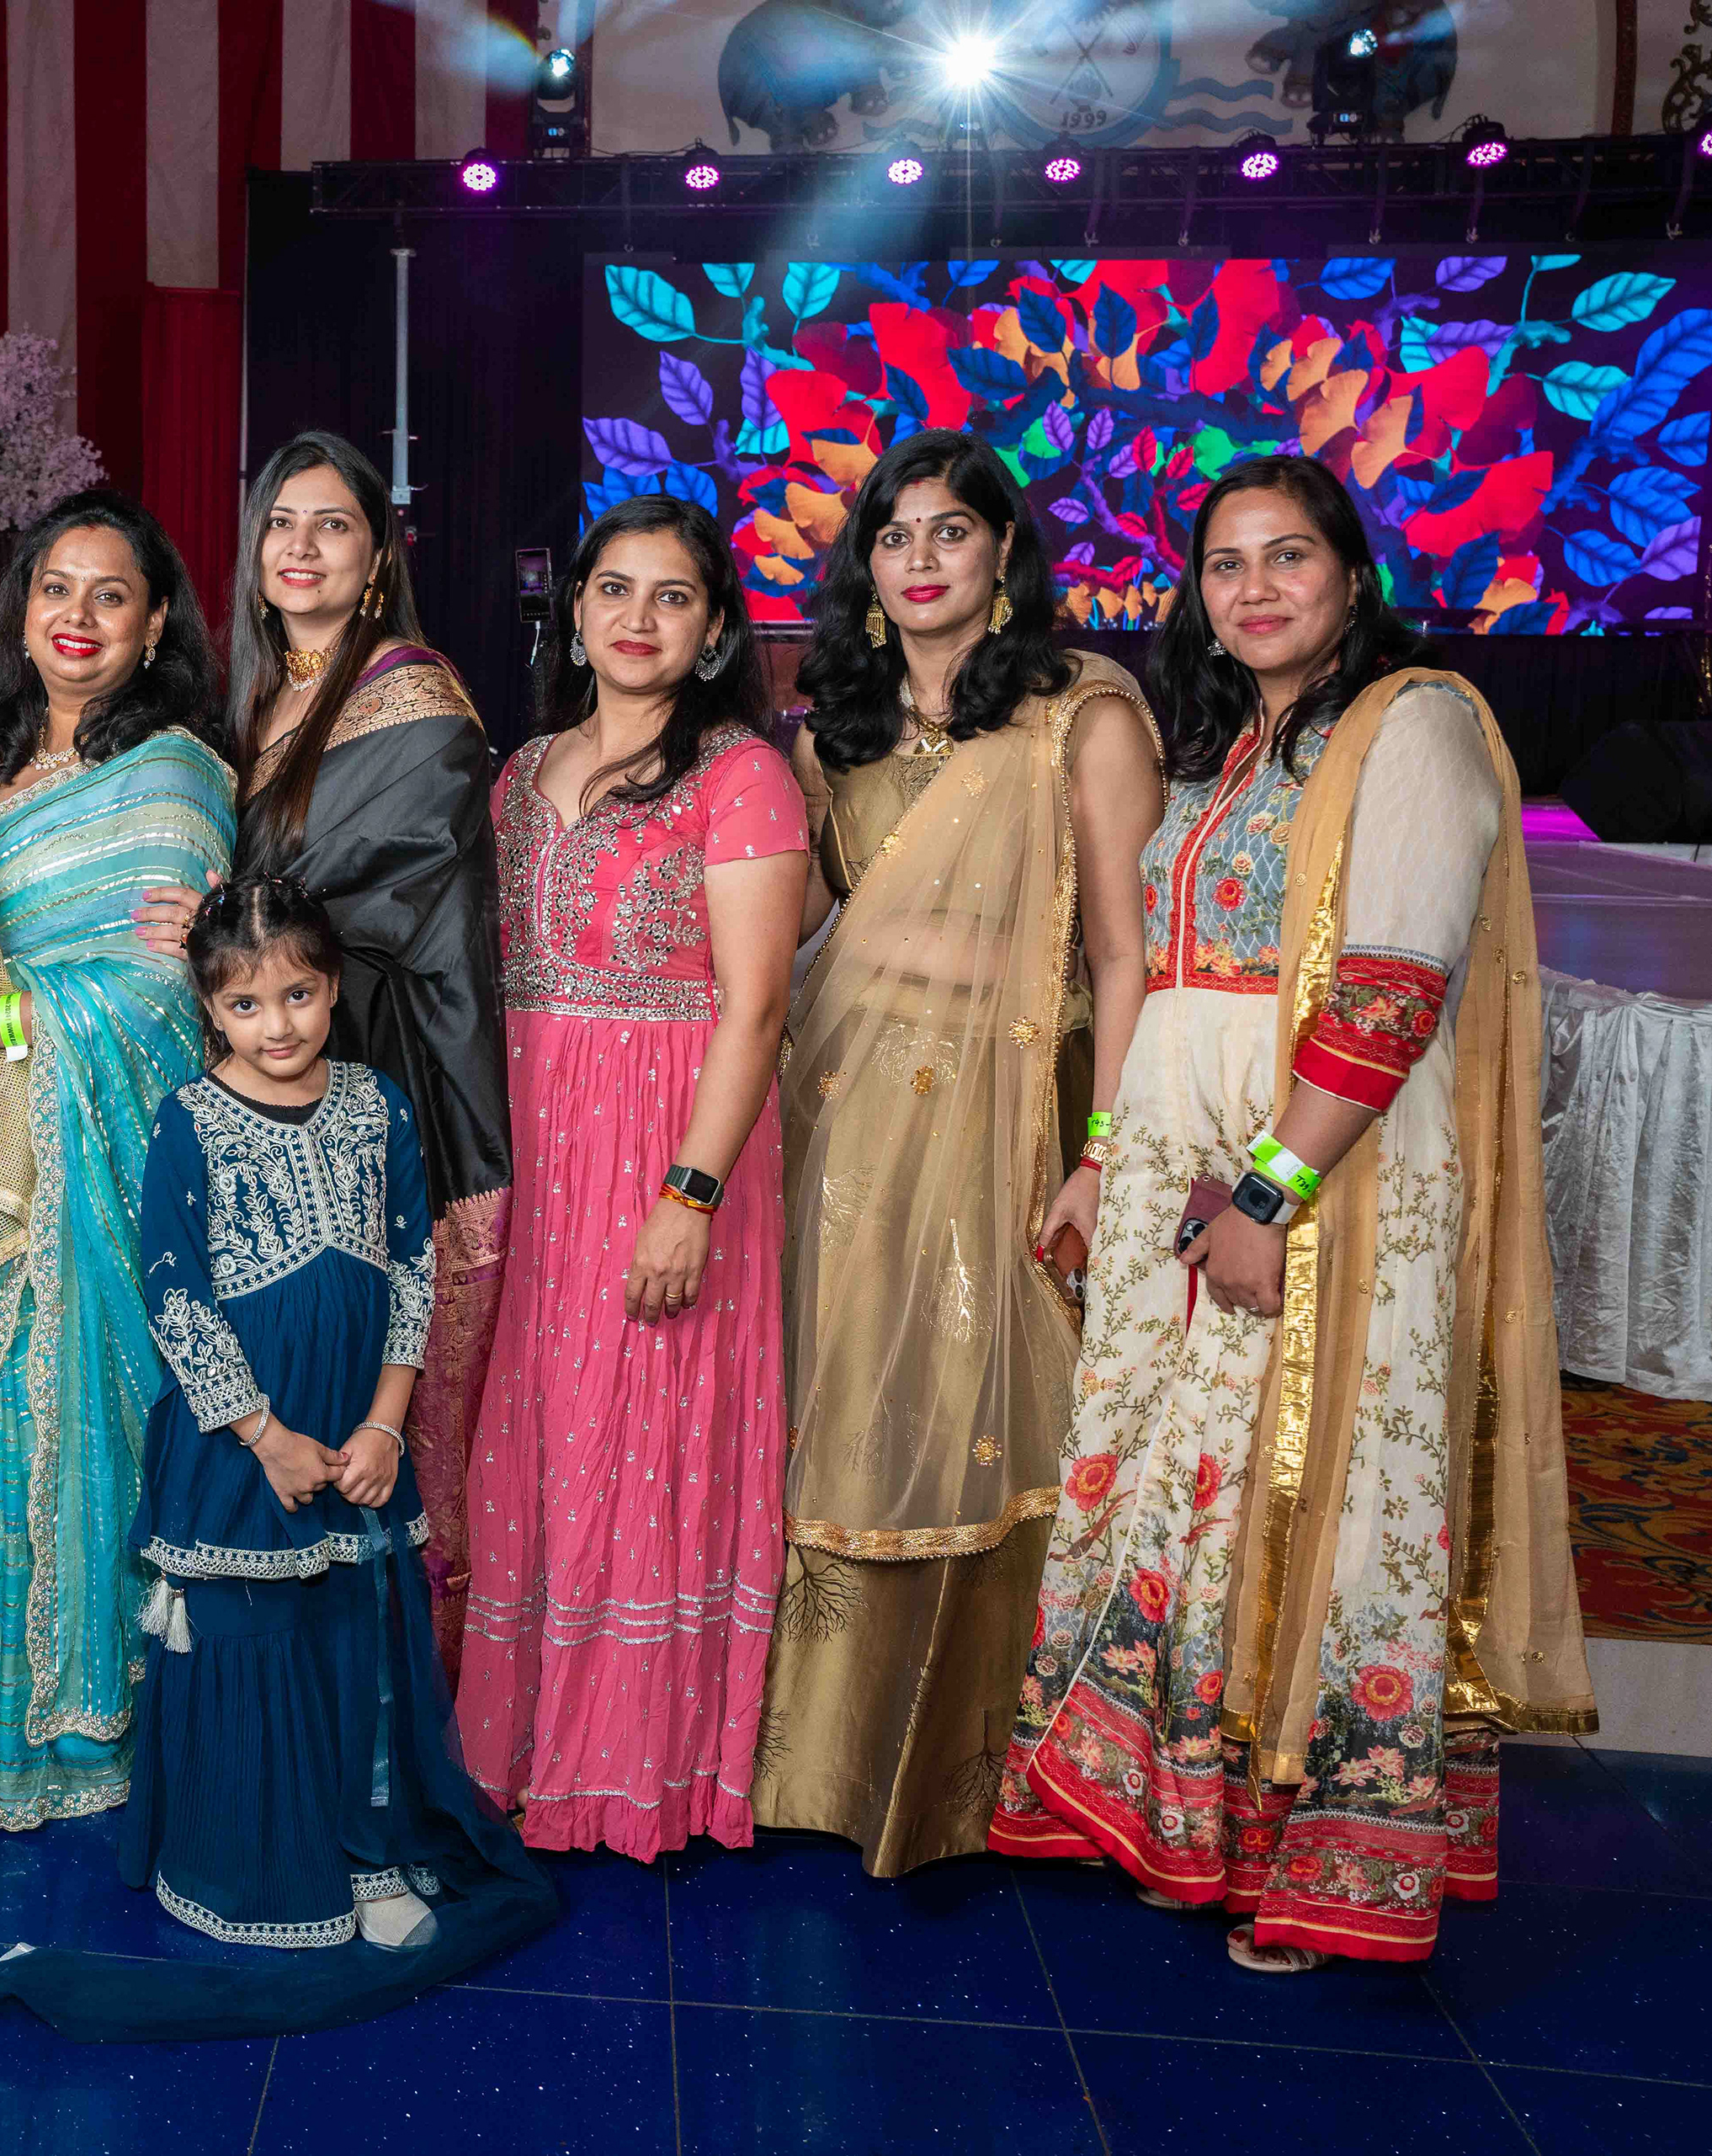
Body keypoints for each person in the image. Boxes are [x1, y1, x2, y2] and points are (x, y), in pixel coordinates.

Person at [991, 455, 1592, 1968]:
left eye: (1288, 556)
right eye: (1225, 563)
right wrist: (1107, 1157)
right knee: (1191, 1495)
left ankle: (1311, 1857)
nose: (1253, 587)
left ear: (1351, 573)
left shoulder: (1415, 722)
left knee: (1307, 1489)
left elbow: (1389, 991)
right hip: (1180, 1182)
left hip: (1323, 1179)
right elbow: (1166, 980)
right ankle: (1189, 1820)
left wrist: (1268, 1192)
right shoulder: (1235, 745)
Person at [0, 877, 553, 2042]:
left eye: (298, 993)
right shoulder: (190, 1120)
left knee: (356, 1639)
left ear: (335, 988)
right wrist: (263, 1434)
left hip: (358, 1435)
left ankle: (369, 1852)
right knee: (255, 1638)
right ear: (211, 1010)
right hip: (238, 1444)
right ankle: (257, 1859)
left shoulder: (378, 1104)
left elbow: (413, 1267)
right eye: (247, 1003)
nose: (279, 1023)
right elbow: (176, 1293)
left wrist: (385, 1425)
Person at [750, 431, 1162, 1876]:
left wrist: (1105, 1154)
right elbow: (797, 926)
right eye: (894, 535)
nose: (920, 558)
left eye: (950, 531)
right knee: (846, 1391)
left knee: (985, 1396)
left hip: (1012, 1113)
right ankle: (811, 1763)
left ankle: (978, 1778)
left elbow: (1124, 956)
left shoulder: (1078, 714)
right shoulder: (833, 732)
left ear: (1003, 554)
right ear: (865, 568)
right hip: (847, 1115)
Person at [455, 495, 810, 1861]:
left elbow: (757, 1008)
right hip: (536, 1145)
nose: (639, 618)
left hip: (669, 1144)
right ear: (576, 611)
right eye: (614, 589)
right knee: (540, 1432)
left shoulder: (741, 776)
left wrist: (690, 1194)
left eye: (673, 596)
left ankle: (635, 1766)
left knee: (642, 1434)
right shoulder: (520, 771)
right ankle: (527, 1744)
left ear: (715, 629)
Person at [0, 490, 236, 1829]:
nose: (78, 616)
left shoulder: (176, 775)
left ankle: (75, 1726)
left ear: (155, 628)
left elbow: (164, 986)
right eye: (55, 589)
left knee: (49, 1411)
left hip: (91, 1146)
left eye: (111, 595)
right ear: (21, 614)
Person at [130, 433, 508, 1674]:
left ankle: (381, 1695)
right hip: (254, 1087)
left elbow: (393, 890)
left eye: (332, 523)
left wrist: (225, 918)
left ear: (378, 555)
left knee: (355, 1387)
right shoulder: (256, 702)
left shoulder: (413, 697)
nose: (301, 546)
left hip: (373, 1077)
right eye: (280, 523)